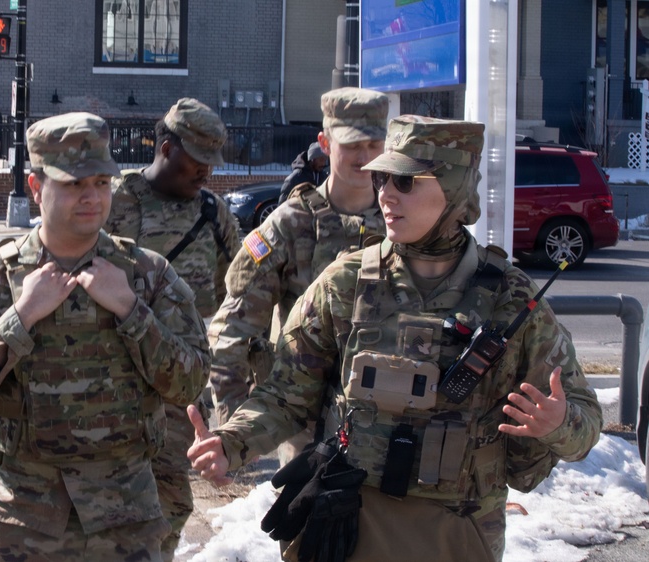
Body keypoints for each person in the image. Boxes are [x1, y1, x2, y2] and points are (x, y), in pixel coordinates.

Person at [188, 115, 602, 562]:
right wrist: (231, 443)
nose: (385, 194)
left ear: (454, 187)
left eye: (404, 182)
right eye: (382, 179)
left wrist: (558, 423)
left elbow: (585, 421)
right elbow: (286, 396)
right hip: (351, 524)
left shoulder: (512, 298)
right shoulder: (345, 283)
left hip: (460, 531)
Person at [0, 112, 210, 562]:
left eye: (101, 183)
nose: (91, 197)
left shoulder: (146, 275)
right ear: (35, 187)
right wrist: (21, 316)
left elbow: (191, 382)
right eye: (73, 184)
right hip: (26, 518)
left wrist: (130, 310)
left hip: (126, 514)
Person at [208, 87, 389, 464]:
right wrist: (235, 434)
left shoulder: (402, 219)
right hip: (306, 423)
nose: (364, 157)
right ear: (324, 143)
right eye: (351, 145)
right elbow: (232, 331)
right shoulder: (290, 225)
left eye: (374, 144)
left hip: (390, 419)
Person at [104, 97, 240, 560]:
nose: (206, 172)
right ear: (166, 148)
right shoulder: (114, 201)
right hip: (112, 379)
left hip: (179, 385)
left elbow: (237, 292)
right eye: (197, 160)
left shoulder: (213, 214)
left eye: (212, 162)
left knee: (170, 500)